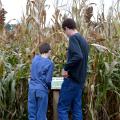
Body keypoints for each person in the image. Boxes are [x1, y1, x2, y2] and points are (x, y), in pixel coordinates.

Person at [57, 18, 89, 120]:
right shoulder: (83, 40)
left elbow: (78, 56)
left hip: (71, 81)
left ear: (66, 28)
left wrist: (66, 68)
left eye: (64, 31)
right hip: (80, 81)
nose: (65, 34)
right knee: (77, 109)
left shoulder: (73, 38)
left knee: (62, 108)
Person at [28, 43, 54, 120]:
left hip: (32, 89)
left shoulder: (35, 59)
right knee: (41, 115)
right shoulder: (49, 63)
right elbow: (48, 80)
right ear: (49, 51)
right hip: (42, 90)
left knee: (32, 114)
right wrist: (49, 88)